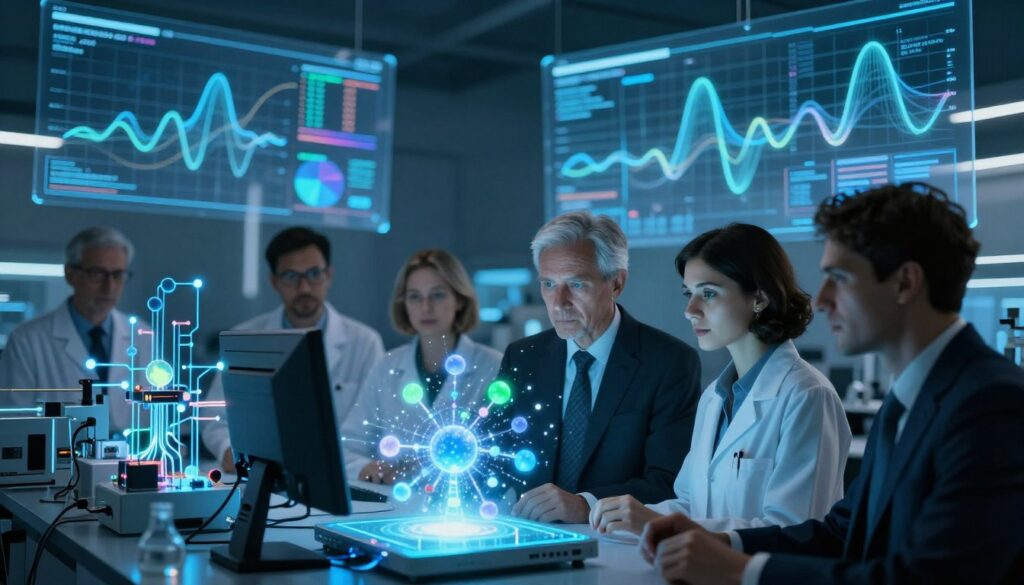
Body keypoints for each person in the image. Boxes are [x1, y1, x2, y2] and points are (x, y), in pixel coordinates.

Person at [640, 183, 1024, 585]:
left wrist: (743, 571)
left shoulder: (990, 403)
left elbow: (929, 577)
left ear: (905, 283)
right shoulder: (905, 401)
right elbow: (843, 532)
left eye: (838, 278)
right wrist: (723, 542)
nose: (821, 300)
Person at [590, 223, 850, 536]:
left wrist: (656, 524)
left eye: (708, 293)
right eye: (690, 293)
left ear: (760, 298)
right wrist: (622, 516)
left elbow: (795, 532)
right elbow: (690, 503)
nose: (690, 310)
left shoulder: (807, 395)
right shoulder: (715, 396)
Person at [501, 210, 702, 524]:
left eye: (577, 285)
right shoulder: (523, 357)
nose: (558, 303)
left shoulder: (669, 363)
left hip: (617, 543)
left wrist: (586, 505)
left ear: (617, 283)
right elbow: (494, 452)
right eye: (549, 284)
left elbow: (669, 483)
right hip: (528, 533)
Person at [202, 227, 385, 472]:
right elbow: (216, 419)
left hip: (343, 478)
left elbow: (376, 427)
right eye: (290, 276)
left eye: (313, 274)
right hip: (264, 477)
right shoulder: (245, 338)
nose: (305, 288)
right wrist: (228, 449)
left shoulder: (365, 343)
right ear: (274, 281)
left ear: (329, 275)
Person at [343, 249, 502, 483]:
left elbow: (505, 452)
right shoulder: (386, 366)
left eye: (437, 295)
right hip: (392, 506)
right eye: (415, 297)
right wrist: (368, 467)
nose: (425, 307)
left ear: (459, 299)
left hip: (470, 508)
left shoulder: (493, 366)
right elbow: (348, 445)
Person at [0, 227, 149, 433]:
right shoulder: (27, 340)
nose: (110, 287)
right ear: (70, 274)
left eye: (118, 274)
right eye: (97, 274)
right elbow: (14, 421)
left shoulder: (142, 334)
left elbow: (152, 413)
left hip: (127, 459)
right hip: (57, 461)